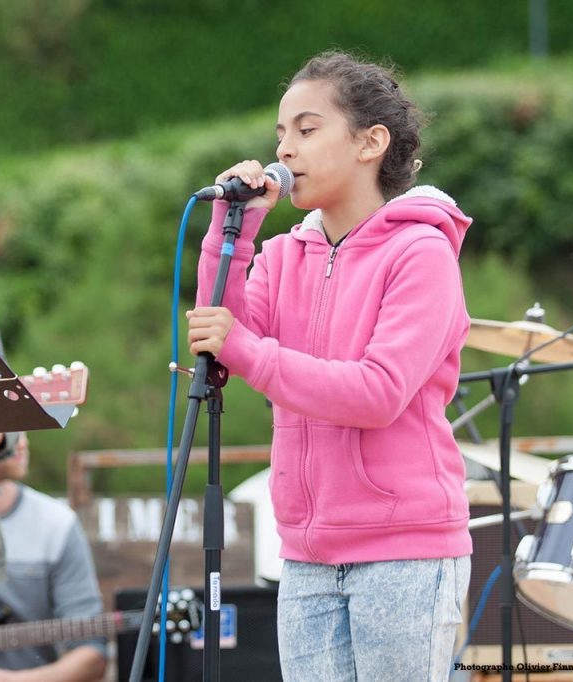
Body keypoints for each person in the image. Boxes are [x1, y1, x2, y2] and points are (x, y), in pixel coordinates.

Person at [186, 50, 473, 680]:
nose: (284, 150)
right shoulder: (283, 255)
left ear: (371, 142)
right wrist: (230, 234)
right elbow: (223, 342)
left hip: (404, 552)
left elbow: (377, 393)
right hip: (306, 555)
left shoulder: (420, 252)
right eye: (280, 134)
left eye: (307, 129)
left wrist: (244, 348)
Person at [0, 433, 107, 682]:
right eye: (7, 429)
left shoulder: (56, 523)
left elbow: (91, 654)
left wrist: (18, 681)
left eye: (23, 430)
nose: (22, 442)